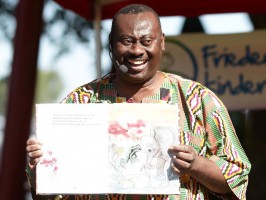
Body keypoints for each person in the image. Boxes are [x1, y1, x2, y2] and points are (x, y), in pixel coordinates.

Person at [26, 4, 251, 200]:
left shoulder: (198, 101)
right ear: (111, 45)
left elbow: (237, 178)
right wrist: (41, 170)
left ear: (161, 42)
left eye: (146, 41)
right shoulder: (80, 103)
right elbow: (48, 194)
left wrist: (195, 165)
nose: (136, 51)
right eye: (126, 41)